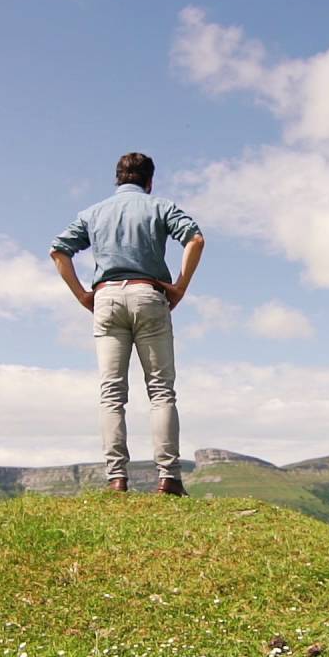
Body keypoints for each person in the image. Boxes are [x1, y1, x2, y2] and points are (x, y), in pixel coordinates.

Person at [49, 153, 206, 496]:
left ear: (118, 179)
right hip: (149, 294)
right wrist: (180, 287)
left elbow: (59, 250)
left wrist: (82, 295)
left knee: (112, 393)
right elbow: (195, 239)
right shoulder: (160, 207)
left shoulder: (93, 213)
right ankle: (169, 478)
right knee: (161, 391)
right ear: (149, 181)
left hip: (106, 298)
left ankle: (116, 478)